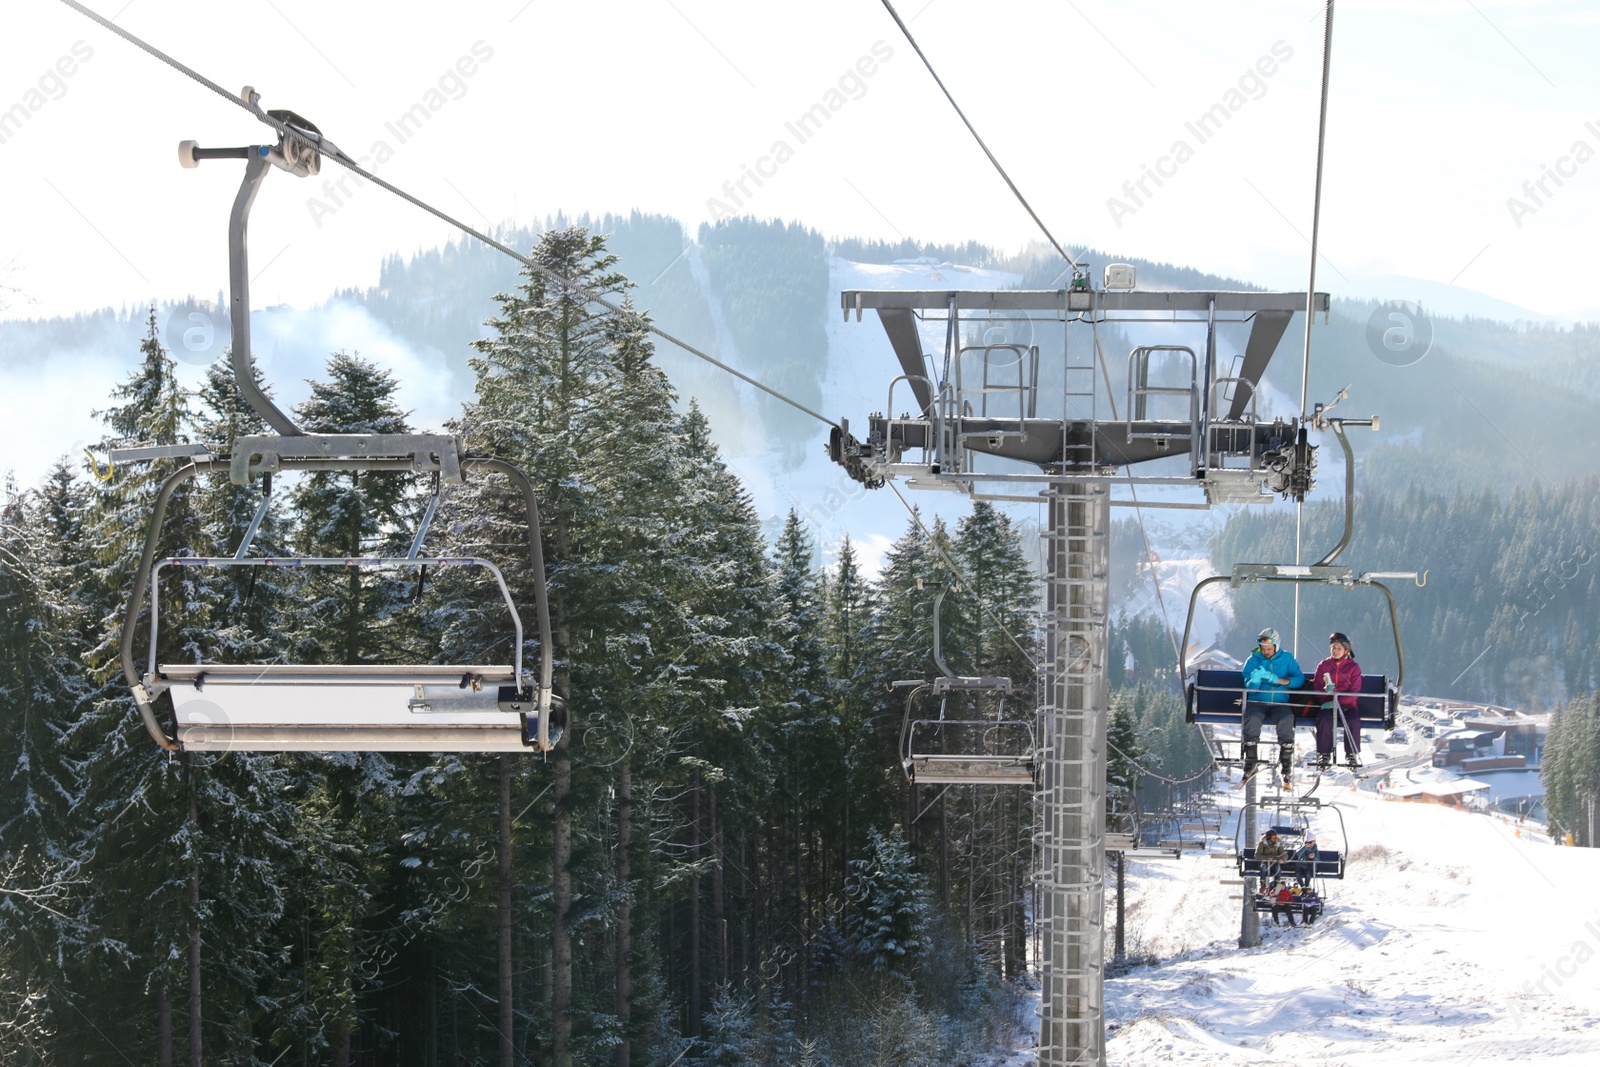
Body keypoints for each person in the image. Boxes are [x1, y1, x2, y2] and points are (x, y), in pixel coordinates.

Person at [1241, 628, 1305, 780]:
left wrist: (1281, 681)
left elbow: (1299, 679)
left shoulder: (1287, 658)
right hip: (1258, 701)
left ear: (1276, 646)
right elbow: (1248, 687)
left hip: (1280, 703)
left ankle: (1286, 761)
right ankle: (1251, 759)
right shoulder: (1253, 660)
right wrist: (1254, 681)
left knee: (1286, 720)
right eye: (1263, 649)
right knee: (1252, 718)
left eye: (1269, 649)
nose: (1266, 652)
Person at [1311, 632, 1363, 769]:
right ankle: (1324, 754)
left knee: (1353, 720)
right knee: (1324, 719)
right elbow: (1316, 687)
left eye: (1338, 648)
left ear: (1346, 650)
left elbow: (1354, 692)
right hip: (1327, 707)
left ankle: (1351, 755)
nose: (1335, 651)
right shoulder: (1324, 665)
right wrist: (1325, 692)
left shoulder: (1353, 668)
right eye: (1333, 648)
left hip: (1347, 707)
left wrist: (1338, 702)